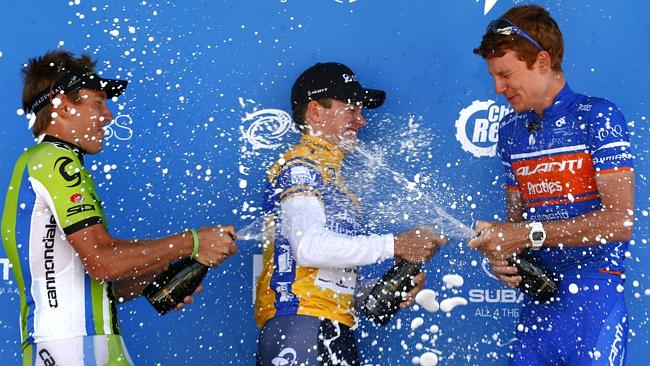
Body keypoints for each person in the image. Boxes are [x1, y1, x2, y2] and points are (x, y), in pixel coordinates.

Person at [1, 50, 238, 365]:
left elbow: (93, 284)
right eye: (97, 102)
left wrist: (161, 272)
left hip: (73, 346)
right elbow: (102, 261)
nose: (108, 115)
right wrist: (192, 241)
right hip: (76, 349)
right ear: (61, 105)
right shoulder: (54, 160)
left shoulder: (41, 162)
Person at [469, 5, 634, 365]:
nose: (498, 88)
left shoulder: (597, 116)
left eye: (506, 74)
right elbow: (517, 225)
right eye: (493, 77)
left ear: (542, 61)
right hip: (537, 307)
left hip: (594, 303)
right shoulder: (510, 132)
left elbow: (619, 222)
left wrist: (527, 235)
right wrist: (504, 253)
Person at [254, 62, 447, 365]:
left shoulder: (335, 179)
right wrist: (395, 244)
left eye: (361, 112)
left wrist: (381, 291)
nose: (361, 121)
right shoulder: (300, 166)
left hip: (329, 325)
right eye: (351, 110)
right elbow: (308, 248)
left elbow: (323, 277)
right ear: (316, 111)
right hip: (299, 326)